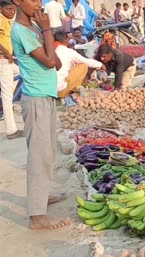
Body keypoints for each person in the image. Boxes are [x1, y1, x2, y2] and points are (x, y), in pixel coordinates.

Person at [11, 0, 70, 229]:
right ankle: (37, 216)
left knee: (48, 152)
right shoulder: (21, 30)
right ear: (17, 1)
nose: (38, 4)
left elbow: (55, 64)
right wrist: (47, 31)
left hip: (46, 96)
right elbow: (47, 60)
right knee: (38, 156)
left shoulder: (34, 27)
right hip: (35, 99)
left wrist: (44, 32)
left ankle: (42, 197)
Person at [54, 31, 102, 97]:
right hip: (60, 90)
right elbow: (86, 62)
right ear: (66, 41)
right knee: (83, 65)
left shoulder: (49, 50)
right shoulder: (68, 52)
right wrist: (100, 65)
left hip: (49, 89)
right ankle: (73, 90)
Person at [0, 0, 23, 139]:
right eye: (8, 9)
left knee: (20, 72)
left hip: (8, 61)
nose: (12, 12)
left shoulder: (8, 20)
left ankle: (4, 93)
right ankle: (11, 130)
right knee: (7, 97)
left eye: (13, 9)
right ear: (1, 9)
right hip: (3, 60)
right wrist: (7, 53)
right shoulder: (1, 20)